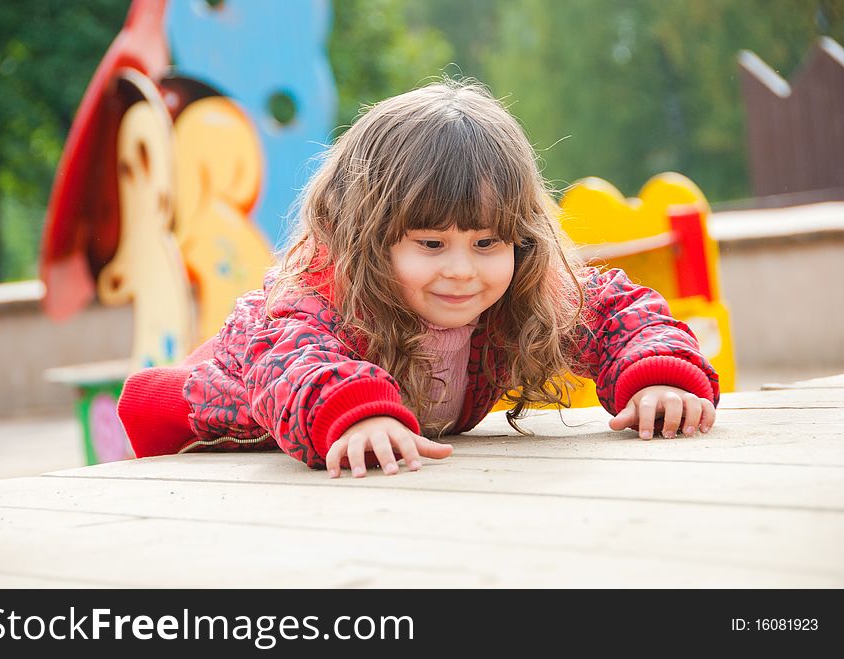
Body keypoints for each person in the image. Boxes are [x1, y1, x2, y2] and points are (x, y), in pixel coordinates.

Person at [117, 79, 719, 478]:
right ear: (366, 237)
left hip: (384, 407)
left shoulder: (525, 290)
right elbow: (298, 363)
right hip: (245, 386)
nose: (462, 270)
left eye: (487, 243)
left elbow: (619, 311)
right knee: (227, 394)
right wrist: (359, 415)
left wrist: (657, 378)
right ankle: (169, 395)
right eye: (431, 244)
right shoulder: (314, 300)